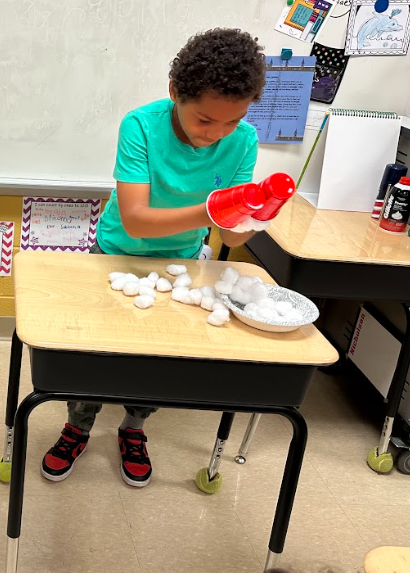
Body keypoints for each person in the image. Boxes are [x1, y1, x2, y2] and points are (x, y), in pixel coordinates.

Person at [41, 28, 269, 488]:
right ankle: (77, 426)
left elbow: (227, 234)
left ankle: (135, 428)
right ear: (174, 94)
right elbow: (136, 221)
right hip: (114, 255)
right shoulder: (141, 126)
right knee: (98, 352)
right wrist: (212, 209)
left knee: (156, 358)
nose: (217, 135)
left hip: (181, 262)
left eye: (232, 121)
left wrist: (246, 220)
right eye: (205, 120)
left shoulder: (243, 140)